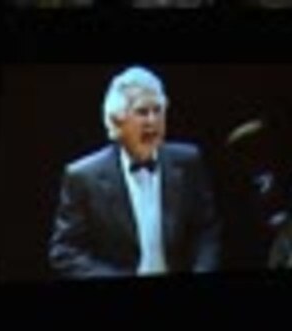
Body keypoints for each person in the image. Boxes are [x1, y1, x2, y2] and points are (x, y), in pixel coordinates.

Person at [49, 66, 222, 278]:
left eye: (158, 110)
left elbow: (206, 229)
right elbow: (65, 252)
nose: (152, 121)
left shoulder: (188, 161)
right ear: (117, 121)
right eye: (142, 112)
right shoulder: (83, 177)